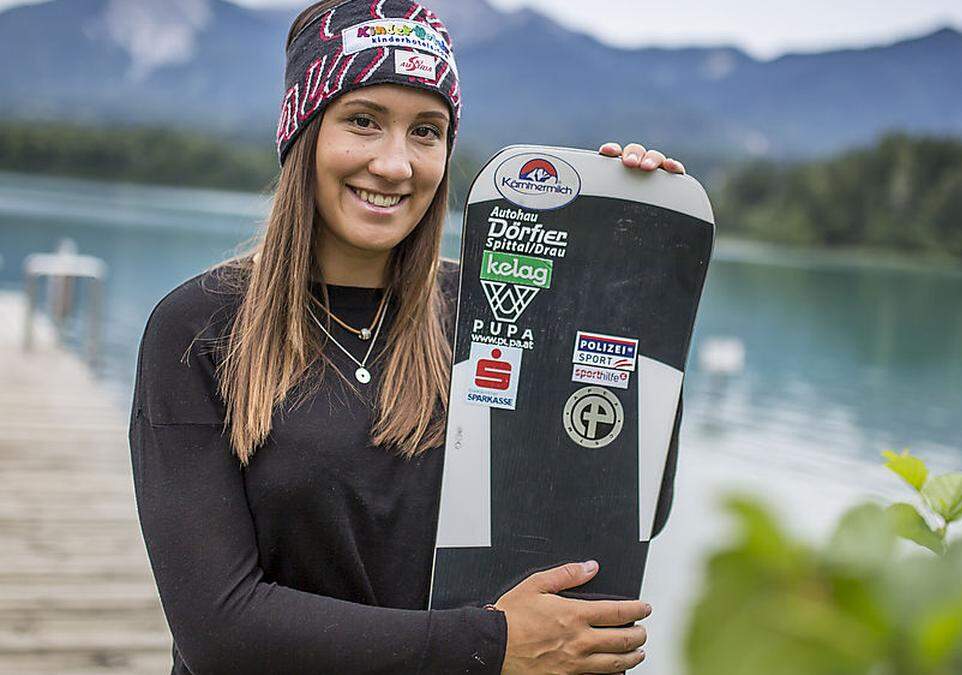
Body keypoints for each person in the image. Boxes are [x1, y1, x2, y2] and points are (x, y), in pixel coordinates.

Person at [128, 1, 686, 673]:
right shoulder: (199, 329)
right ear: (302, 131)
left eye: (427, 131)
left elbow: (616, 496)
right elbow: (221, 631)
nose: (395, 165)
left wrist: (632, 261)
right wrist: (492, 643)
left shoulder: (493, 314)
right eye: (363, 121)